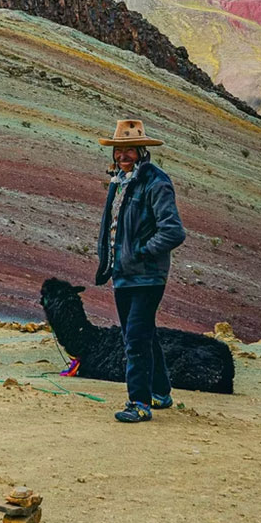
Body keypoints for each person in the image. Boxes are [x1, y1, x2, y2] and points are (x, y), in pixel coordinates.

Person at [95, 118, 185, 423]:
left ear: (142, 151)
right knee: (141, 334)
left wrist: (142, 252)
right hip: (123, 275)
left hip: (147, 276)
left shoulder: (156, 182)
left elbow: (173, 231)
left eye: (129, 150)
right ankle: (161, 392)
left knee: (134, 338)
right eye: (119, 151)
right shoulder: (119, 182)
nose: (123, 156)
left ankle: (139, 403)